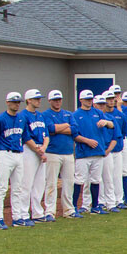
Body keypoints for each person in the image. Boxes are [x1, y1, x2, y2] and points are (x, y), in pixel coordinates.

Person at [0, 91, 27, 229]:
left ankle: (16, 217)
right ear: (7, 102)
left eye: (18, 102)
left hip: (18, 154)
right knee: (2, 188)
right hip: (5, 153)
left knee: (17, 188)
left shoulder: (21, 119)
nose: (16, 104)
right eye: (14, 101)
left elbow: (25, 136)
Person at [72, 89, 113, 215]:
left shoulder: (98, 113)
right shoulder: (76, 114)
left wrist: (106, 122)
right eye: (86, 99)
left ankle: (95, 206)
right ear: (81, 100)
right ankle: (74, 207)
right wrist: (87, 141)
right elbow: (74, 134)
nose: (89, 102)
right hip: (83, 152)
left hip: (98, 151)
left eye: (90, 99)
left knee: (96, 180)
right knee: (80, 180)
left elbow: (112, 125)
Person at [42, 90, 79, 219]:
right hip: (52, 153)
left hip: (68, 153)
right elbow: (50, 129)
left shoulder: (68, 114)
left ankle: (68, 210)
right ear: (50, 101)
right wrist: (65, 126)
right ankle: (49, 211)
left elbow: (74, 130)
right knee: (51, 183)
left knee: (69, 182)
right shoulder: (45, 114)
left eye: (59, 99)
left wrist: (59, 129)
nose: (58, 102)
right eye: (55, 100)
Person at [19, 89, 51, 223]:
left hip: (40, 148)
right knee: (26, 183)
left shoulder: (40, 115)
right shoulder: (23, 115)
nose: (39, 101)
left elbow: (47, 135)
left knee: (39, 183)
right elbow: (25, 136)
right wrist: (39, 150)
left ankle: (38, 213)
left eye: (39, 98)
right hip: (29, 150)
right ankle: (23, 214)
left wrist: (43, 149)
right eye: (36, 99)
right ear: (29, 100)